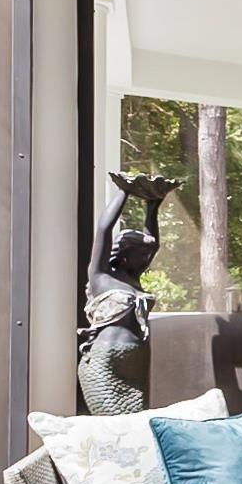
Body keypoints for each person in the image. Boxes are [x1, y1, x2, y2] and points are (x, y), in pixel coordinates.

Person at [78, 171, 181, 414]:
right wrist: (124, 191)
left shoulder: (132, 280)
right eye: (141, 252)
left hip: (136, 362)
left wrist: (153, 205)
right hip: (107, 363)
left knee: (137, 425)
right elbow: (104, 229)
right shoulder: (101, 276)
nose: (147, 256)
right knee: (115, 426)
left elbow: (153, 243)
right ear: (124, 252)